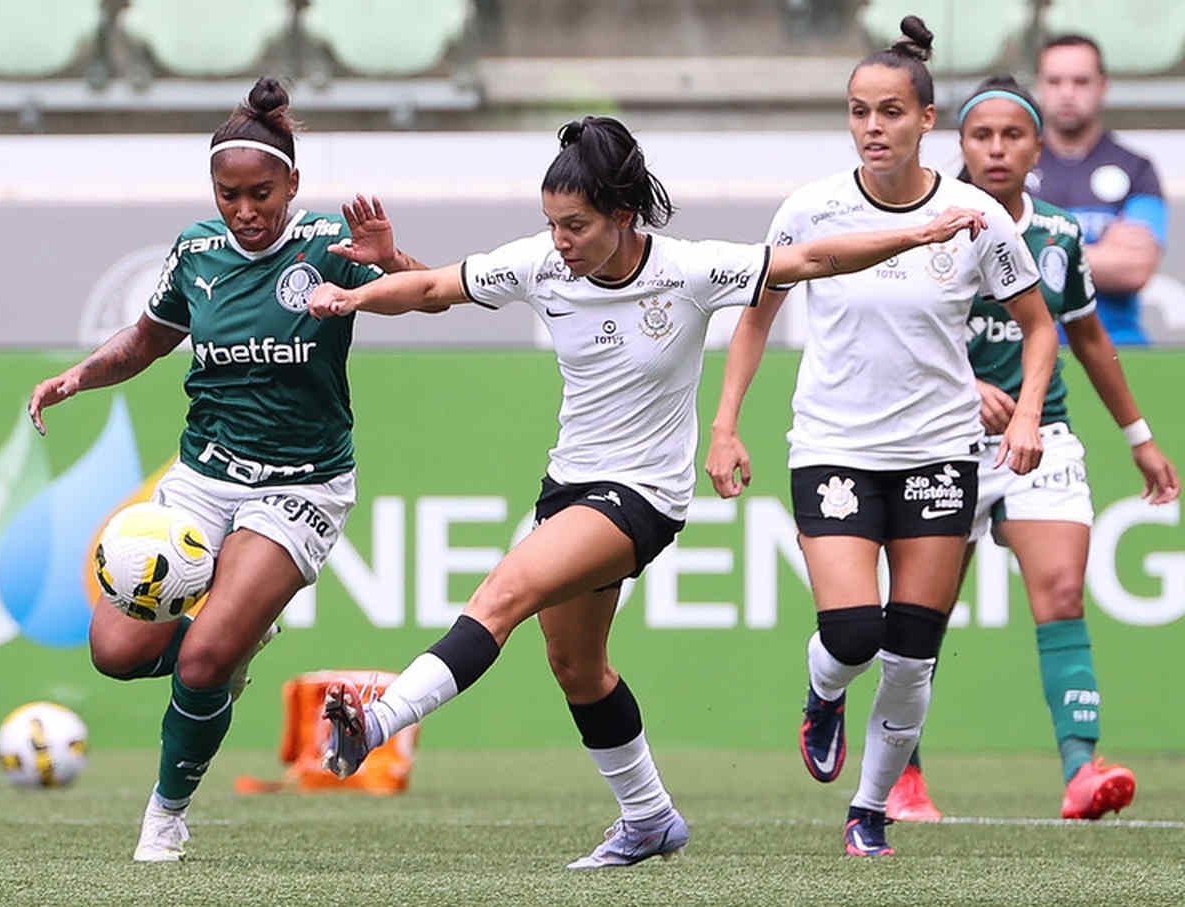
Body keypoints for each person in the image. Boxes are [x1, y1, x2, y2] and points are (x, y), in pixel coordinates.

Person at [307, 114, 986, 868]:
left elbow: (816, 259)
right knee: (577, 668)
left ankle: (376, 721)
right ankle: (650, 817)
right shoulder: (542, 264)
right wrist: (371, 283)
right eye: (552, 224)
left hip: (642, 497)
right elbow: (434, 288)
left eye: (576, 224)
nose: (560, 240)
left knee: (504, 591)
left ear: (622, 216)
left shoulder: (690, 270)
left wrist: (915, 236)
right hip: (568, 485)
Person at [26, 77, 426, 862]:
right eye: (229, 193)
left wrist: (391, 259)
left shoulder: (327, 249)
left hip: (300, 482)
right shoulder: (197, 251)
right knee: (113, 649)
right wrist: (78, 375)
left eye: (261, 192)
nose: (245, 209)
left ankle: (165, 817)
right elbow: (147, 338)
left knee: (205, 657)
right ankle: (238, 634)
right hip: (203, 473)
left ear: (293, 185)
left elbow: (431, 299)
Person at [705, 16, 1059, 857]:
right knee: (856, 629)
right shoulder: (810, 210)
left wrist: (1031, 412)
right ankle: (823, 692)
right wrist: (723, 424)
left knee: (911, 652)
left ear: (926, 120)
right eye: (859, 111)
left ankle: (869, 810)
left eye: (891, 112)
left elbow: (1038, 327)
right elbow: (756, 315)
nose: (872, 127)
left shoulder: (976, 215)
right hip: (833, 445)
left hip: (940, 451)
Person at [885, 77, 1181, 824]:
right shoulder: (929, 228)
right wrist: (960, 387)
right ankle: (902, 775)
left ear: (1036, 148)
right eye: (980, 136)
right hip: (940, 438)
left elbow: (1086, 335)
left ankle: (1082, 769)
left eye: (1010, 136)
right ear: (959, 144)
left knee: (1061, 594)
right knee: (923, 613)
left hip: (1040, 434)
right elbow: (893, 336)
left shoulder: (1058, 233)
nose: (994, 149)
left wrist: (1139, 438)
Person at [1033, 34, 1167, 345]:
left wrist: (1033, 251)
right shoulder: (1008, 168)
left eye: (1080, 81)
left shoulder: (1137, 169)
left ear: (1102, 85)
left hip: (1119, 347)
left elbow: (1134, 270)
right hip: (1030, 352)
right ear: (1040, 85)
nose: (1067, 93)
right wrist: (1102, 250)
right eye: (1055, 81)